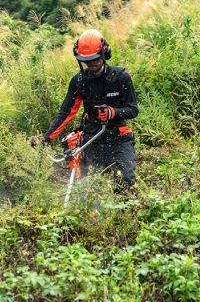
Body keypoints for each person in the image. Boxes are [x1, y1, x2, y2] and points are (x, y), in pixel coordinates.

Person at [32, 29, 138, 189]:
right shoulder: (79, 82)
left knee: (124, 179)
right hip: (91, 139)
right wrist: (45, 139)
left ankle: (123, 211)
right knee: (88, 188)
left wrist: (112, 112)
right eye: (86, 61)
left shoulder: (121, 77)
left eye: (95, 59)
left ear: (104, 53)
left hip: (119, 136)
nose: (92, 64)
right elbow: (65, 114)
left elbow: (132, 110)